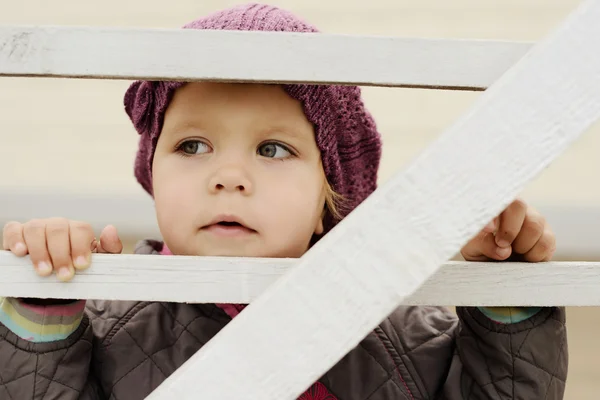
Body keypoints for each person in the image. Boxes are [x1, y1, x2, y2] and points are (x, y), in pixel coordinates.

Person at [0, 4, 566, 399]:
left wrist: (502, 292)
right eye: (192, 145)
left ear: (331, 198)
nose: (228, 176)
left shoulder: (404, 325)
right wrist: (46, 302)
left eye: (273, 148)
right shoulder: (105, 316)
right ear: (153, 172)